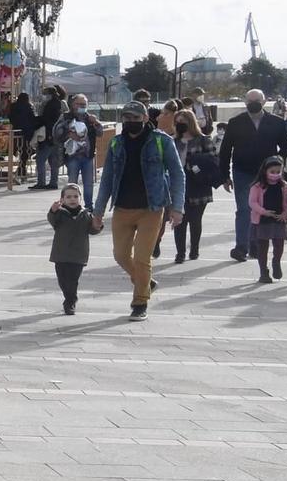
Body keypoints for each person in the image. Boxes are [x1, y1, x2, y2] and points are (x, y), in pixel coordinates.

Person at [91, 99, 185, 321]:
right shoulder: (116, 143)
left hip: (151, 208)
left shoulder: (161, 141)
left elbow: (177, 174)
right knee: (121, 255)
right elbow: (106, 179)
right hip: (122, 207)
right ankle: (146, 282)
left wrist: (177, 208)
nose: (131, 122)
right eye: (127, 118)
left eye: (136, 118)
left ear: (145, 118)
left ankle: (140, 302)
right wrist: (98, 211)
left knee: (143, 258)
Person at [218, 89, 287, 262]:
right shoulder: (236, 122)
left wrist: (276, 161)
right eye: (249, 100)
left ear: (264, 101)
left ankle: (255, 246)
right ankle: (241, 247)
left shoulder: (276, 122)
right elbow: (225, 151)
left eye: (256, 100)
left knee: (261, 208)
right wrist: (224, 175)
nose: (253, 103)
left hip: (267, 175)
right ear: (245, 102)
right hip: (242, 172)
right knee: (244, 209)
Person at [173, 108, 218, 264]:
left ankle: (194, 249)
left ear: (190, 123)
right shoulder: (173, 141)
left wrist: (196, 162)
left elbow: (214, 160)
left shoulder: (203, 139)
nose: (179, 125)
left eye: (183, 122)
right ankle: (180, 253)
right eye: (177, 122)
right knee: (179, 220)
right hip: (179, 186)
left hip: (199, 184)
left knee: (195, 220)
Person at [47, 182, 98, 314]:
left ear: (80, 198)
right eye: (68, 197)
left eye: (75, 196)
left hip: (78, 255)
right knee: (63, 280)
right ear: (62, 199)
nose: (72, 199)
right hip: (61, 254)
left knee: (73, 280)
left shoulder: (86, 214)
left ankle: (70, 302)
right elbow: (52, 220)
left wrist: (98, 225)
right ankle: (68, 297)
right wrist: (52, 211)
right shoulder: (59, 213)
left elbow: (92, 230)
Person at [249, 155, 287, 284]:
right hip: (262, 220)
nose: (275, 175)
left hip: (279, 219)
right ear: (265, 171)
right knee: (262, 247)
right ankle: (263, 272)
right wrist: (264, 211)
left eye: (278, 172)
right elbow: (252, 202)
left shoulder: (284, 186)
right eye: (272, 172)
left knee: (279, 245)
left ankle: (276, 262)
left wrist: (285, 214)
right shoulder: (257, 186)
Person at [60, 94, 103, 203]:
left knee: (88, 183)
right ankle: (69, 205)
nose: (81, 106)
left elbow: (100, 133)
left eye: (83, 104)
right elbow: (56, 132)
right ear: (72, 105)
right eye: (78, 104)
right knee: (72, 184)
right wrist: (68, 134)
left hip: (88, 156)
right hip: (72, 156)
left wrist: (96, 123)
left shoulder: (90, 118)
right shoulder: (65, 117)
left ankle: (88, 206)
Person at [32, 86, 65, 190]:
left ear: (50, 94)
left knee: (40, 159)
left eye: (45, 94)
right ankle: (53, 182)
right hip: (57, 135)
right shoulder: (59, 103)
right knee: (53, 161)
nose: (44, 96)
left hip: (48, 135)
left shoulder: (50, 105)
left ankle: (41, 182)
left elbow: (47, 119)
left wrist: (36, 121)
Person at [8, 90, 38, 183]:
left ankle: (21, 171)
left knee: (22, 152)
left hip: (17, 132)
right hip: (27, 132)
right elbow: (32, 118)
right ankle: (21, 171)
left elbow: (10, 117)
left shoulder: (13, 106)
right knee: (26, 152)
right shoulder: (28, 107)